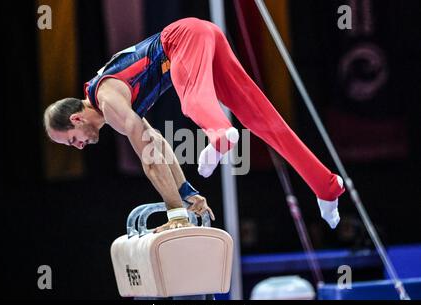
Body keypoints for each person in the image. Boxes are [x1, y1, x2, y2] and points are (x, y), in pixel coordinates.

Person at [43, 17, 345, 230]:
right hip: (203, 36)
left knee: (191, 100)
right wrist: (187, 193)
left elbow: (150, 162)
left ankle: (219, 135)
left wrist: (176, 214)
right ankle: (326, 186)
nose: (79, 146)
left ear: (76, 118)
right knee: (260, 119)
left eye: (72, 140)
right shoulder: (111, 104)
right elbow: (159, 144)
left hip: (182, 39)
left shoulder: (109, 102)